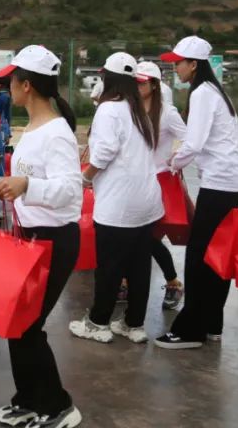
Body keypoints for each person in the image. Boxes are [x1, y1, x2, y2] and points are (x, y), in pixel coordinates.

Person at [0, 45, 84, 428]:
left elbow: (71, 190)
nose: (7, 86)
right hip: (30, 236)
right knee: (17, 323)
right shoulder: (32, 128)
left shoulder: (56, 133)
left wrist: (27, 185)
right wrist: (15, 185)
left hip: (53, 240)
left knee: (28, 326)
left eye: (11, 80)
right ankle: (28, 399)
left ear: (26, 85)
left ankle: (58, 406)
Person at [154, 36, 238, 350]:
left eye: (179, 63)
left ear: (194, 64)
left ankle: (190, 330)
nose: (175, 68)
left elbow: (193, 143)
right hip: (229, 182)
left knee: (199, 257)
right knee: (218, 255)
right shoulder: (216, 92)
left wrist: (172, 163)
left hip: (219, 184)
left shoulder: (203, 94)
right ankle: (212, 324)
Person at [71, 52, 163, 346]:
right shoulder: (138, 110)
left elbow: (104, 152)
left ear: (107, 77)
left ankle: (98, 323)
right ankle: (134, 324)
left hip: (119, 204)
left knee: (109, 266)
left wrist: (86, 177)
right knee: (139, 267)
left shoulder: (109, 109)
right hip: (146, 202)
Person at [135, 61, 188, 310]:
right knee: (132, 235)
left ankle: (173, 282)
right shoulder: (131, 108)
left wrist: (175, 160)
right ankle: (127, 281)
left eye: (142, 82)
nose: (137, 86)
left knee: (148, 237)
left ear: (154, 85)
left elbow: (190, 140)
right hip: (134, 180)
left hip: (159, 181)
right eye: (135, 81)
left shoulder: (167, 113)